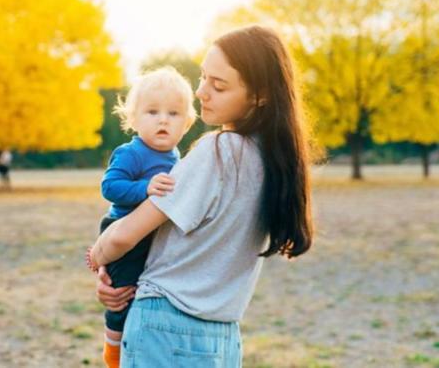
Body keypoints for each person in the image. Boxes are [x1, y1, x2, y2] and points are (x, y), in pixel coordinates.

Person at [87, 25, 315, 367]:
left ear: (260, 95)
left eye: (218, 85)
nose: (201, 92)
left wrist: (101, 260)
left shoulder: (218, 151)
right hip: (224, 336)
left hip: (165, 327)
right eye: (203, 77)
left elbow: (122, 236)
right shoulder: (275, 161)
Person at [87, 66, 197, 367]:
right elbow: (110, 186)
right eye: (152, 112)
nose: (163, 119)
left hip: (153, 232)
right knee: (122, 292)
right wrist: (144, 188)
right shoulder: (131, 152)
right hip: (122, 226)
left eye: (174, 114)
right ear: (133, 119)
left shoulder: (178, 159)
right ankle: (112, 346)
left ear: (186, 124)